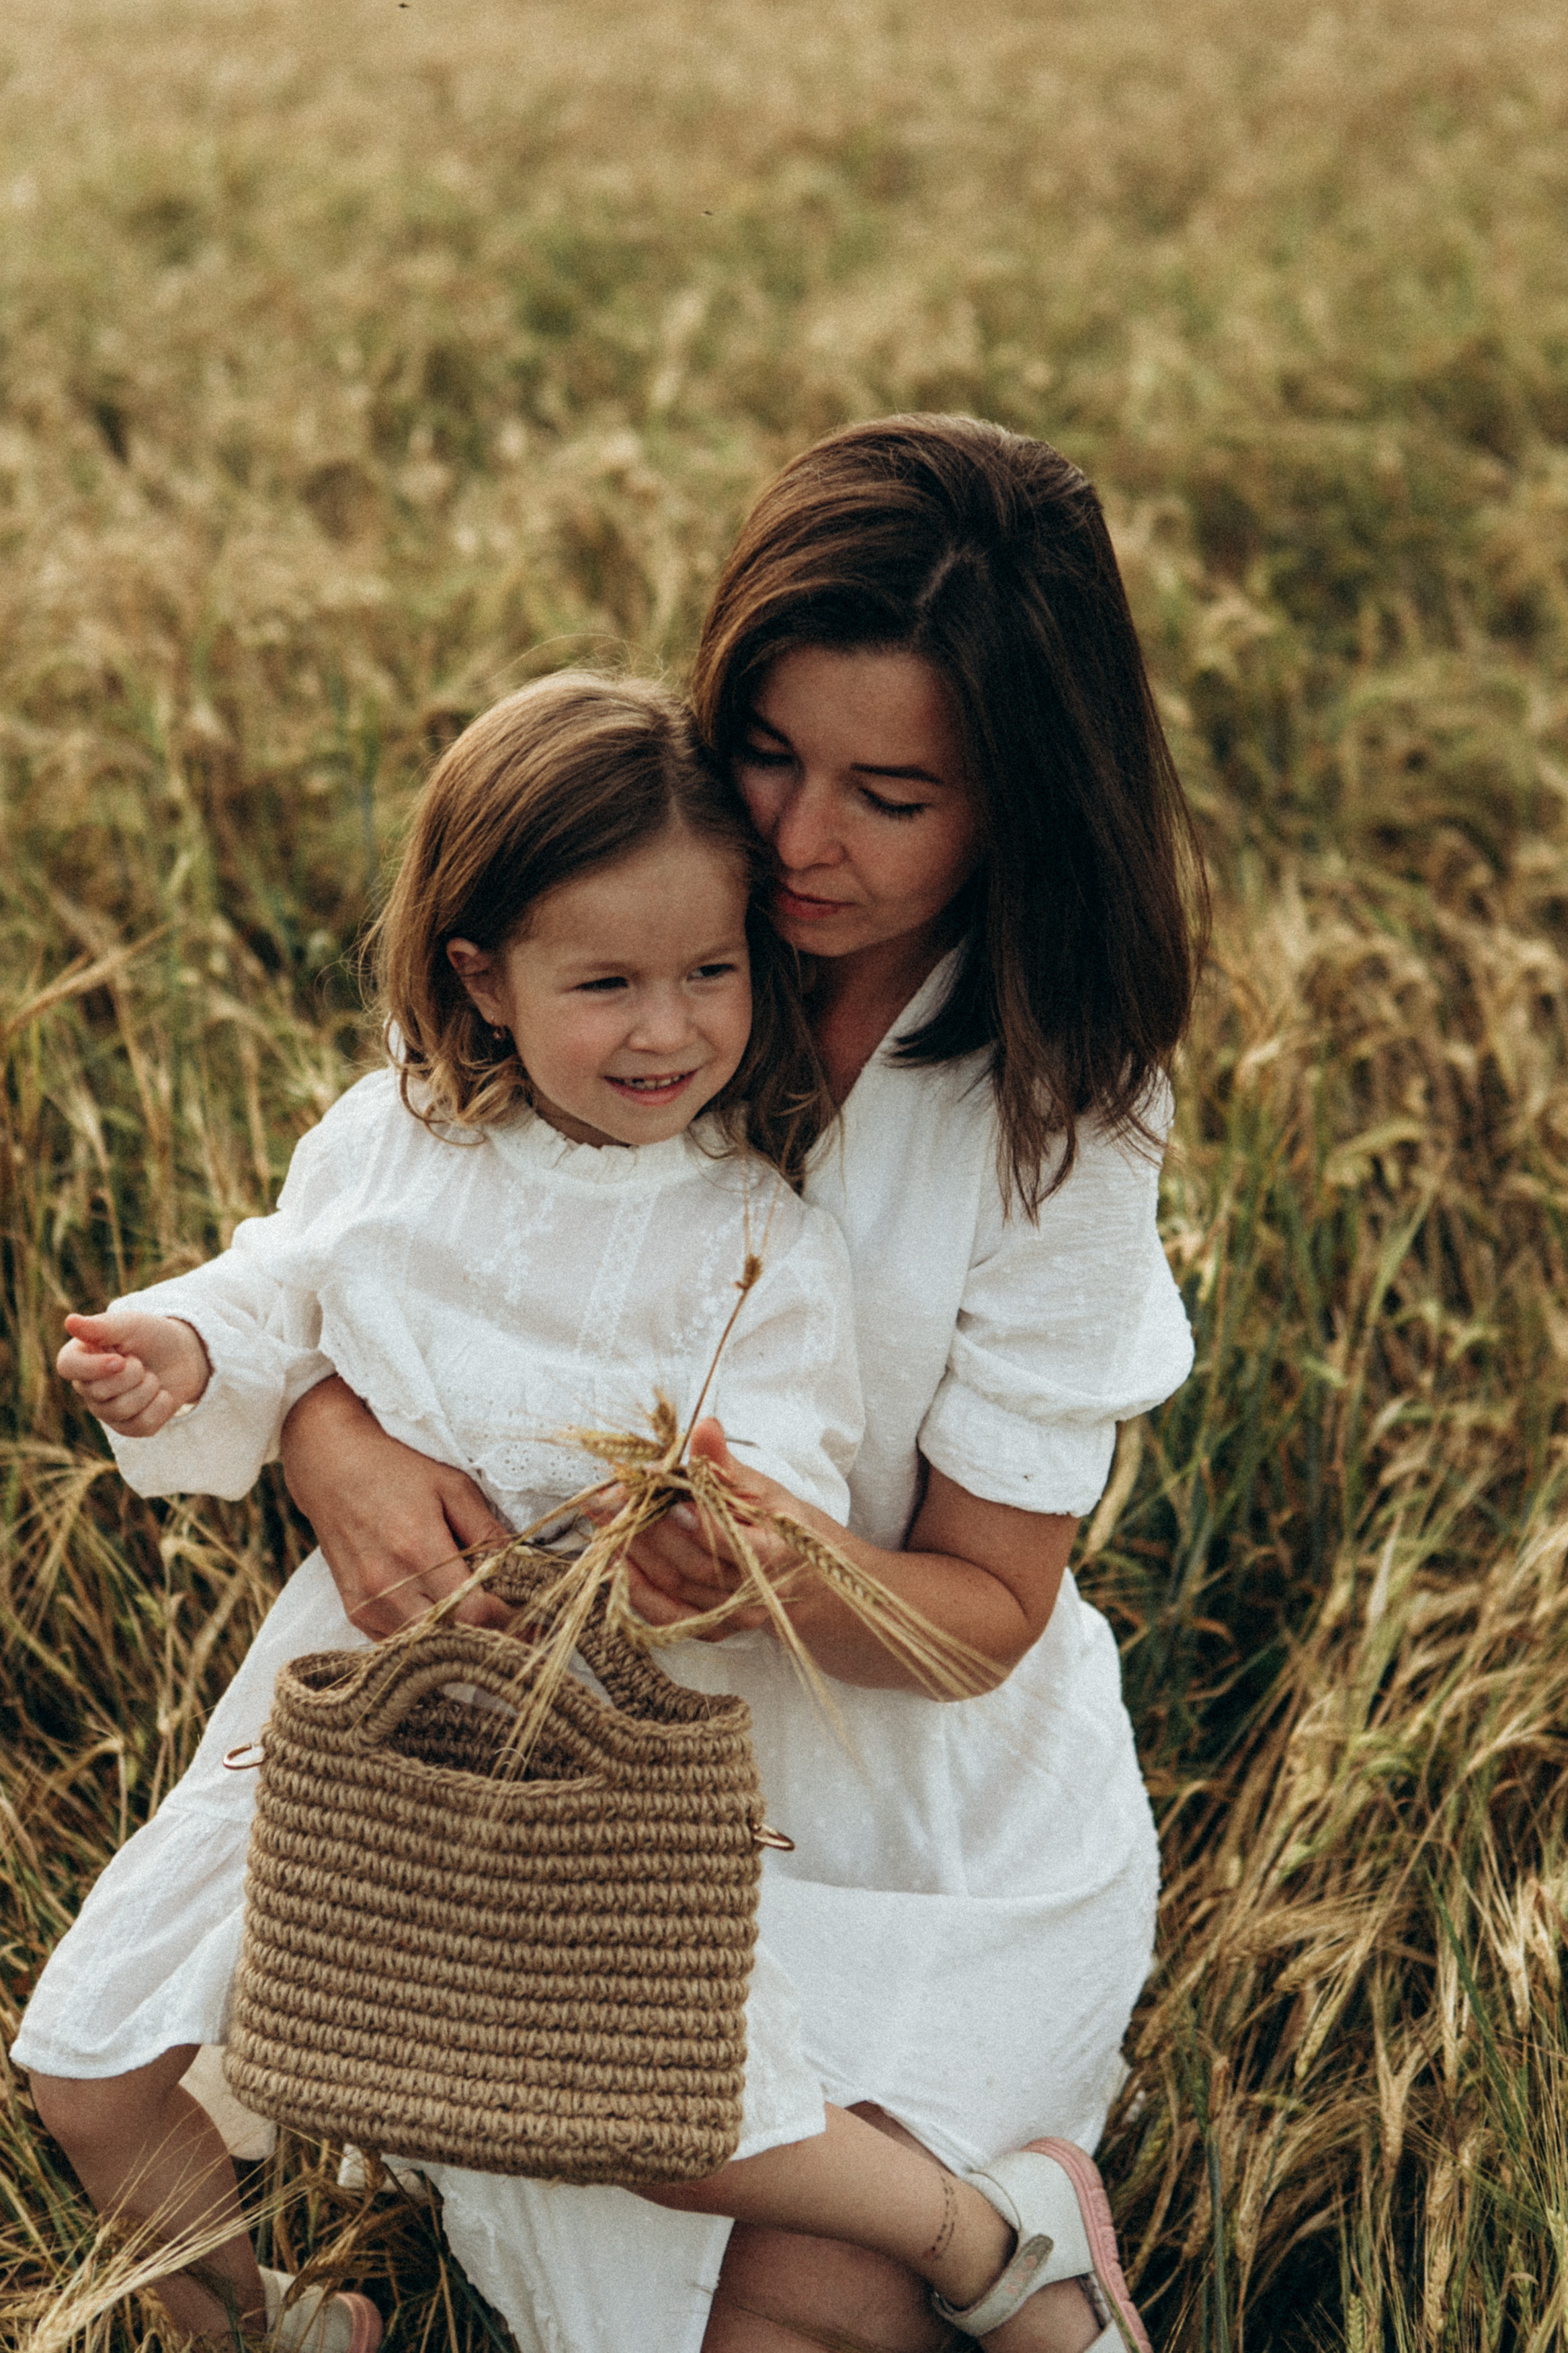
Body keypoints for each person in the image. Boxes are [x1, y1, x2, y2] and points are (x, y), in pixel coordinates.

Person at [271, 415, 1207, 2353]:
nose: (797, 838)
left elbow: (989, 1615)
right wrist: (328, 1440)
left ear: (1020, 802)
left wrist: (787, 1570)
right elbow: (346, 1243)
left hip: (927, 1815)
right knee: (674, 2194)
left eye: (892, 793)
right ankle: (999, 2239)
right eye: (771, 751)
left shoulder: (1066, 1106)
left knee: (779, 2303)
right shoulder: (617, 892)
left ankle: (977, 2225)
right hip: (572, 1780)